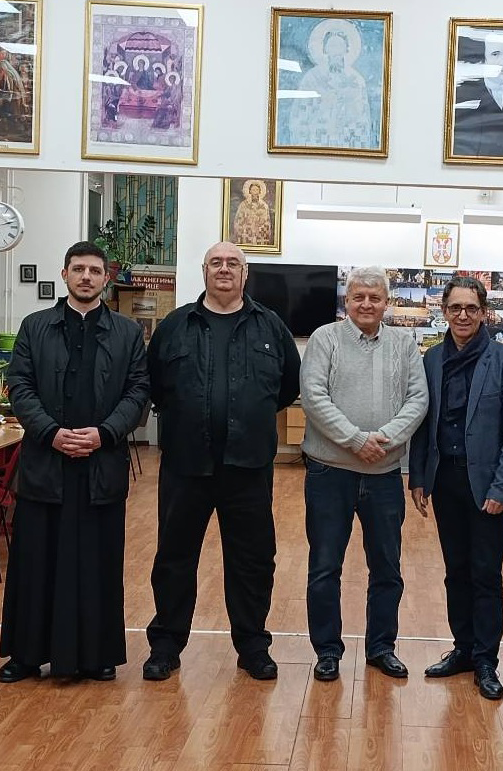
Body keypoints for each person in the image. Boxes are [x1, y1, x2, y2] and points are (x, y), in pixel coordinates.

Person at [144, 242, 301, 681]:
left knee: (253, 560)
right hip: (185, 465)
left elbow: (287, 386)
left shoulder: (270, 326)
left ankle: (253, 646)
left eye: (234, 263)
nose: (225, 269)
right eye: (216, 262)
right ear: (204, 271)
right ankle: (166, 646)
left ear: (245, 273)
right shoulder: (175, 326)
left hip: (248, 467)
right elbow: (155, 384)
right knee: (174, 558)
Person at [0, 241, 150, 684]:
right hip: (47, 463)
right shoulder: (35, 327)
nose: (86, 277)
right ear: (64, 274)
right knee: (35, 561)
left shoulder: (127, 333)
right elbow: (20, 386)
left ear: (106, 279)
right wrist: (51, 433)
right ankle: (27, 655)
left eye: (95, 270)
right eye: (78, 269)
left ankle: (97, 655)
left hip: (100, 466)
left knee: (97, 563)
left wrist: (104, 433)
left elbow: (139, 391)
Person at [300, 266, 428, 683]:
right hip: (330, 474)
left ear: (387, 302)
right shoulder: (324, 339)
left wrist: (385, 440)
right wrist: (357, 440)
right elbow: (313, 397)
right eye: (359, 297)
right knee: (325, 568)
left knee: (387, 569)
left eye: (375, 297)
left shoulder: (404, 344)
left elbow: (418, 399)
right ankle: (327, 651)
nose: (367, 304)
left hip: (384, 475)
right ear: (347, 300)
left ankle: (381, 648)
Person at [408, 276, 503, 700]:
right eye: (455, 308)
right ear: (444, 311)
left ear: (483, 313)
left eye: (471, 308)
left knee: (485, 574)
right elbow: (423, 421)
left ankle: (486, 660)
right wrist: (418, 476)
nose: (463, 315)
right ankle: (462, 648)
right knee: (455, 570)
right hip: (445, 480)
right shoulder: (431, 359)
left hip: (487, 486)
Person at [233, 179, 273, 246]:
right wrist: (247, 225)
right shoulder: (243, 205)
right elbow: (238, 220)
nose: (255, 192)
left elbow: (267, 222)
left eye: (257, 190)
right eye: (253, 190)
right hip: (247, 234)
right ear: (250, 191)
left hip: (260, 234)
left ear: (260, 191)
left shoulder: (264, 206)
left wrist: (259, 225)